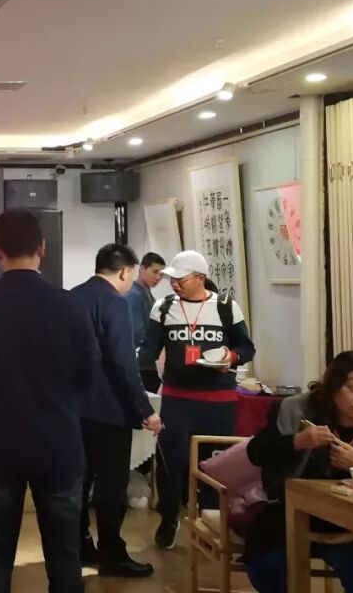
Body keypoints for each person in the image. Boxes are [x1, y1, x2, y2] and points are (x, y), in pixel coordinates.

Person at [0, 211, 99, 593]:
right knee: (65, 557)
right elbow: (89, 376)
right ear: (42, 248)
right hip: (58, 442)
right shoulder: (71, 305)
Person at [244, 351, 353, 593]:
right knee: (266, 568)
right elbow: (255, 452)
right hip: (288, 512)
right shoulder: (297, 408)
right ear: (333, 386)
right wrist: (297, 441)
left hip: (351, 522)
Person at [138, 250, 255, 550]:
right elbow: (148, 351)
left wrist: (230, 356)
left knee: (215, 466)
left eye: (181, 279)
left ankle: (211, 524)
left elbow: (246, 348)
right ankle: (168, 519)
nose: (174, 284)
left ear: (201, 278)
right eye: (172, 279)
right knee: (170, 463)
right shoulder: (164, 308)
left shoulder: (226, 307)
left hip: (219, 401)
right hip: (177, 400)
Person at [72, 244, 161, 578]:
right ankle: (112, 554)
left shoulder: (72, 297)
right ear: (124, 271)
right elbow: (124, 363)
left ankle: (79, 547)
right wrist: (145, 409)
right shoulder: (115, 302)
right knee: (111, 487)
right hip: (109, 410)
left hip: (73, 408)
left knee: (78, 484)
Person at [125, 252, 165, 393]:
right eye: (155, 272)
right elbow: (137, 333)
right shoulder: (134, 294)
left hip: (147, 362)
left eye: (161, 274)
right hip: (141, 363)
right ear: (142, 268)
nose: (158, 277)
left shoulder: (145, 292)